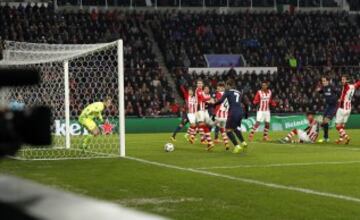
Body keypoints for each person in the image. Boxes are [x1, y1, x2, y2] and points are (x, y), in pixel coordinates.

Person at [212, 79, 248, 154]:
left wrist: (213, 104)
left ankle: (237, 146)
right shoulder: (239, 92)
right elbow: (246, 103)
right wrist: (246, 113)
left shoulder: (228, 92)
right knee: (235, 128)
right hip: (240, 112)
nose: (225, 87)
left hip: (233, 112)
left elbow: (220, 101)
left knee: (227, 130)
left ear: (229, 85)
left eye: (226, 85)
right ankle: (244, 142)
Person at [334, 75, 360, 144]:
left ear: (347, 80)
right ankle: (341, 139)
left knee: (337, 125)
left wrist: (339, 101)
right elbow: (358, 83)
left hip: (342, 108)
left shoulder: (346, 86)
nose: (342, 81)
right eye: (342, 79)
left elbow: (345, 84)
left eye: (343, 79)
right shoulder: (353, 86)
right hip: (348, 109)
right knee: (342, 126)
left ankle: (346, 136)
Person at [316, 76, 338, 143]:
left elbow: (338, 93)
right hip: (328, 106)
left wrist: (339, 99)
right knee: (324, 122)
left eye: (324, 81)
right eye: (322, 81)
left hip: (334, 106)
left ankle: (318, 127)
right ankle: (326, 138)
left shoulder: (332, 87)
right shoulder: (324, 88)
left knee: (325, 121)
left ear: (328, 81)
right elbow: (321, 91)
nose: (323, 82)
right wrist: (319, 91)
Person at [192, 80, 213, 150]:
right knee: (202, 125)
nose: (199, 84)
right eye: (198, 83)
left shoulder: (202, 91)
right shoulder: (198, 90)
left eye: (200, 83)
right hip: (199, 110)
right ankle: (208, 141)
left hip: (203, 110)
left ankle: (193, 136)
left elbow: (204, 100)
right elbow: (203, 99)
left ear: (202, 84)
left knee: (205, 125)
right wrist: (210, 99)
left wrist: (209, 101)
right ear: (197, 84)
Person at [213, 82, 230, 150]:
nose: (217, 88)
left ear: (222, 88)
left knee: (206, 125)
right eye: (217, 87)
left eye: (219, 87)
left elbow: (217, 102)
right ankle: (226, 143)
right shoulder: (228, 94)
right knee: (222, 129)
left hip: (219, 114)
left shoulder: (219, 94)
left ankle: (210, 141)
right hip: (225, 115)